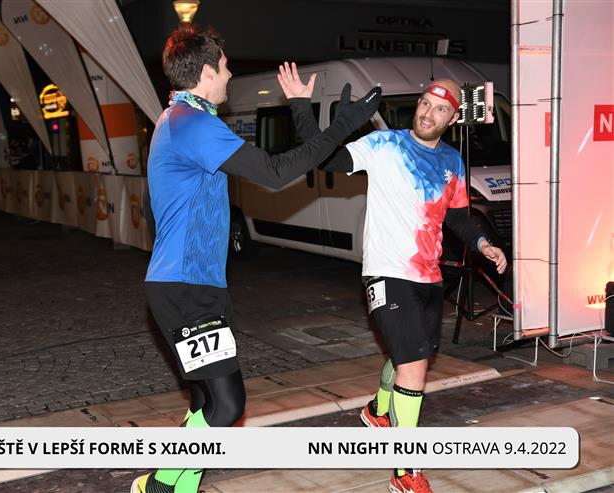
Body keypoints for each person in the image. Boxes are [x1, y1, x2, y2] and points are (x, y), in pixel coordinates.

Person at [132, 27, 381, 493]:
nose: (230, 74)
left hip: (191, 283)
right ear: (208, 71)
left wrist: (302, 110)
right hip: (187, 287)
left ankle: (181, 489)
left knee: (206, 404)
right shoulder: (193, 123)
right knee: (228, 405)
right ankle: (158, 485)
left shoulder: (176, 119)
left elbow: (153, 204)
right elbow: (275, 172)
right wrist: (341, 126)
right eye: (226, 66)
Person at [279, 63, 507, 493]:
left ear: (453, 118)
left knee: (409, 357)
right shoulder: (384, 144)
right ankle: (405, 472)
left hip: (428, 276)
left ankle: (379, 410)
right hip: (385, 272)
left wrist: (483, 244)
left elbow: (458, 218)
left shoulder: (452, 161)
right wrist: (300, 107)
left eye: (439, 109)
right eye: (425, 104)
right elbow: (325, 157)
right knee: (414, 365)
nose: (428, 113)